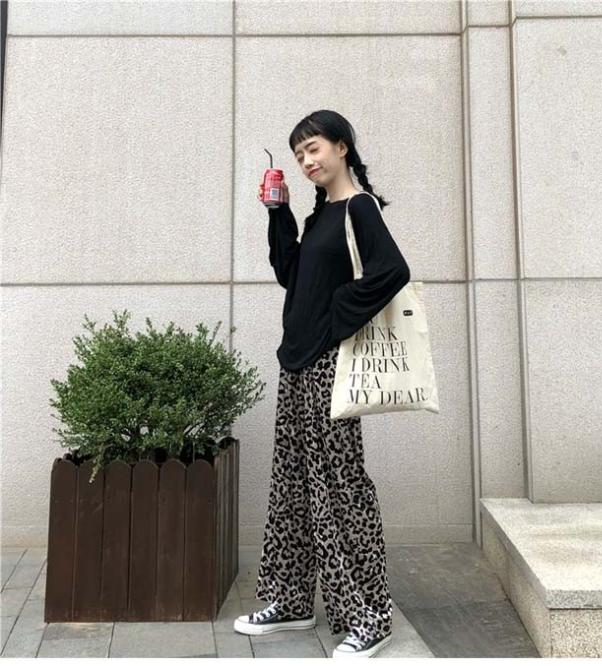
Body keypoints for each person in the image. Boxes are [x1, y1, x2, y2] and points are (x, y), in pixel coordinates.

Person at [233, 110, 410, 658]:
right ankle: (291, 601)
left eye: (313, 149)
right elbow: (291, 274)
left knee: (341, 486)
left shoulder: (359, 208)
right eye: (299, 155)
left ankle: (370, 615)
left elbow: (392, 271)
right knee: (293, 485)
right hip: (296, 362)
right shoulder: (320, 215)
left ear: (341, 147)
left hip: (330, 366)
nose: (307, 161)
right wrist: (278, 213)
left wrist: (335, 320)